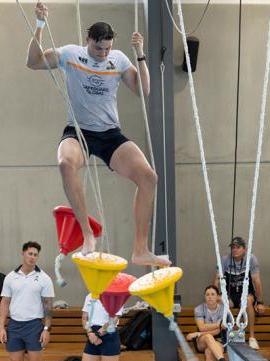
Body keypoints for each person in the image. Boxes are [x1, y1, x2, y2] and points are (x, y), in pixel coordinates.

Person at [26, 2, 169, 268]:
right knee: (65, 164)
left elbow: (143, 90)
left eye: (107, 48)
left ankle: (140, 249)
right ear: (88, 40)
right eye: (98, 48)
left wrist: (140, 54)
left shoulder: (118, 60)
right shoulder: (71, 54)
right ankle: (88, 235)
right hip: (79, 132)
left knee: (149, 177)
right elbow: (33, 62)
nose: (103, 53)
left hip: (110, 135)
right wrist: (40, 25)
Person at [0, 241, 55, 361]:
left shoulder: (44, 278)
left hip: (34, 326)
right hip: (15, 325)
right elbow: (5, 301)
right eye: (30, 254)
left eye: (35, 255)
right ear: (23, 254)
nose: (32, 257)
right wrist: (1, 327)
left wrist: (46, 329)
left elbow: (48, 306)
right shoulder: (10, 277)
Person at [213, 236, 265, 349]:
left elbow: (256, 281)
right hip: (230, 294)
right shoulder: (224, 260)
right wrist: (214, 295)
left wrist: (260, 302)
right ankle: (223, 336)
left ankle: (251, 337)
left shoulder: (251, 259)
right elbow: (217, 279)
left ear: (244, 249)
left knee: (246, 302)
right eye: (233, 247)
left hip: (246, 293)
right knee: (220, 301)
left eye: (238, 247)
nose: (235, 250)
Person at [185, 285, 233, 361]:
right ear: (204, 297)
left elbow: (218, 331)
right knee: (207, 337)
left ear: (218, 297)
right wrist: (216, 325)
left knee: (210, 352)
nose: (210, 297)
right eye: (207, 294)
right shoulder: (199, 309)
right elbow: (202, 327)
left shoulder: (224, 310)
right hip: (202, 341)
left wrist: (198, 333)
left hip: (219, 341)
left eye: (213, 294)